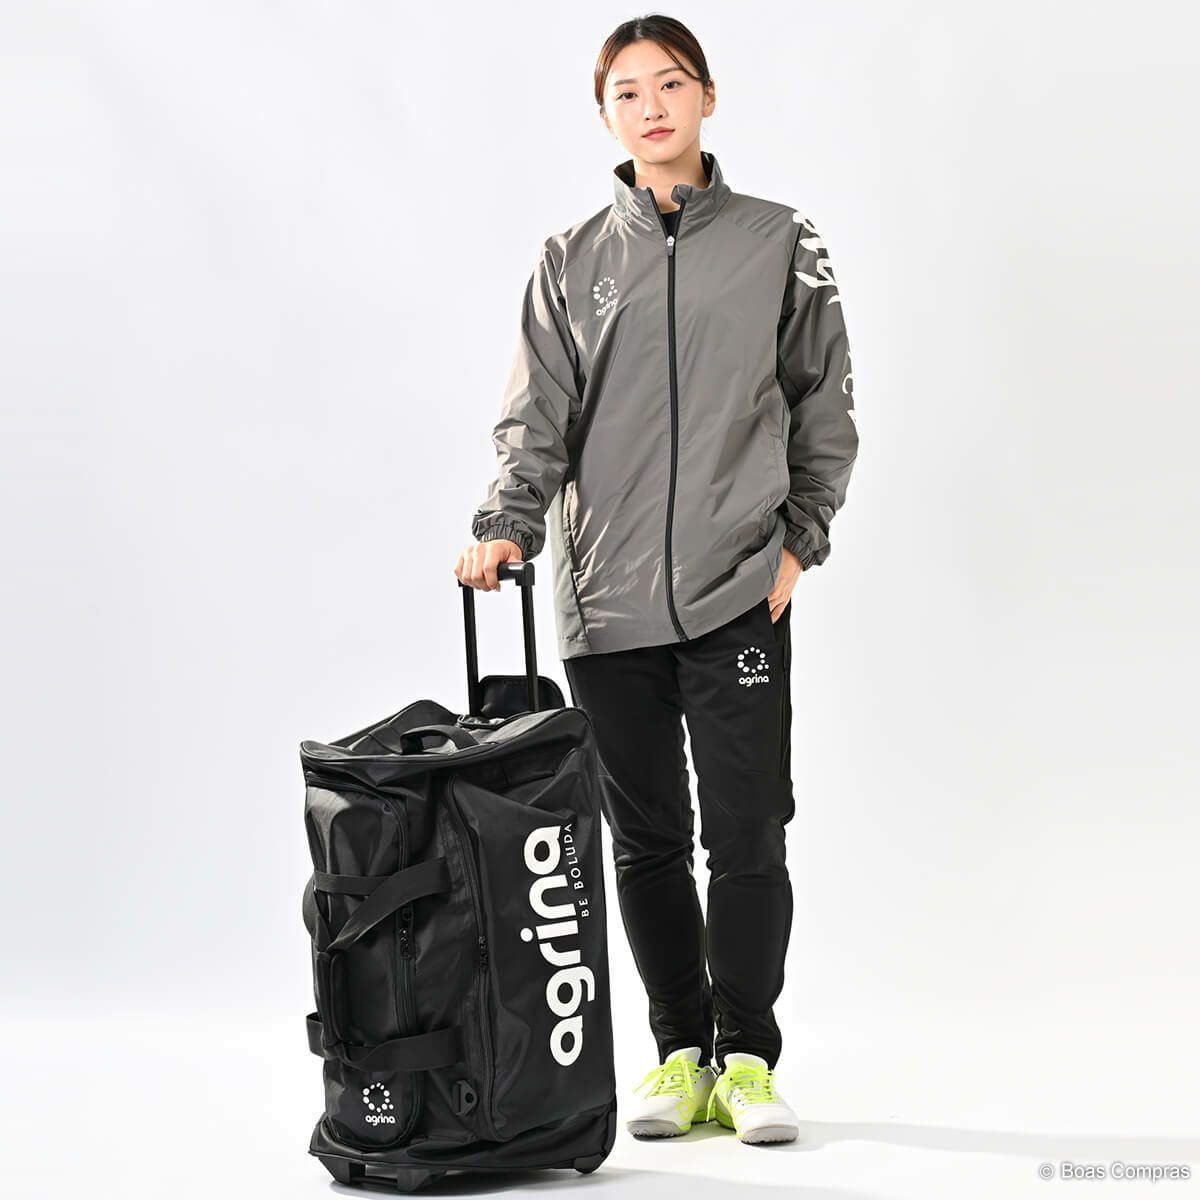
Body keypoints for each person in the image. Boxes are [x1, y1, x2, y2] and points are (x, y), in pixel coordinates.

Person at [454, 14, 857, 1147]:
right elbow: (535, 417)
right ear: (606, 116)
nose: (651, 107)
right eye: (626, 92)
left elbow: (824, 402)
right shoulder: (570, 258)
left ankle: (749, 1059)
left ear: (707, 97)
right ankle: (680, 1053)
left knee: (749, 834)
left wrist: (798, 545)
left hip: (739, 590)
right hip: (607, 601)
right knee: (644, 844)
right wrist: (505, 527)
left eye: (670, 84)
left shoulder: (781, 240)